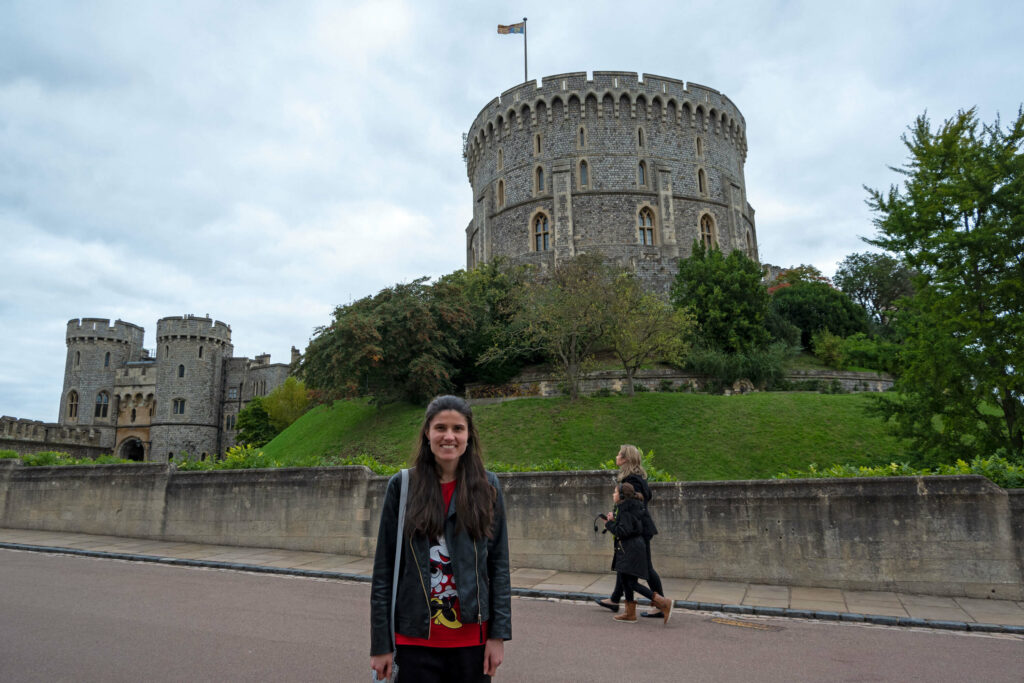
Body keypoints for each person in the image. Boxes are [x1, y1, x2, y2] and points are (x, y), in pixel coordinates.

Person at [370, 395, 512, 682]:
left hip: (472, 643)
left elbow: (498, 568)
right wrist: (380, 644)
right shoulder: (402, 486)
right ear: (427, 433)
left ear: (469, 435)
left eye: (458, 429)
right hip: (413, 642)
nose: (449, 436)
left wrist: (498, 636)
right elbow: (384, 571)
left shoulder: (488, 486)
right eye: (440, 428)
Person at [594, 444, 671, 620]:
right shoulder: (635, 477)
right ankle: (616, 600)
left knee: (647, 569)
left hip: (637, 531)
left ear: (625, 458)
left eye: (618, 454)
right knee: (624, 564)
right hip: (636, 528)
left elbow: (633, 507)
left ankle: (661, 604)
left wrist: (616, 521)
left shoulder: (633, 480)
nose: (616, 456)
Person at [602, 482, 673, 623]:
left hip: (630, 548)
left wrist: (609, 524)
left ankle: (663, 603)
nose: (613, 494)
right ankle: (630, 614)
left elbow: (623, 531)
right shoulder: (632, 506)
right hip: (632, 547)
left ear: (622, 496)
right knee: (625, 580)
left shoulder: (625, 509)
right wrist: (615, 520)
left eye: (615, 492)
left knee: (631, 582)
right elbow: (630, 526)